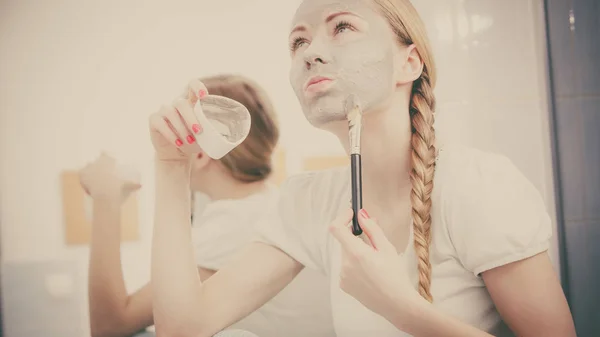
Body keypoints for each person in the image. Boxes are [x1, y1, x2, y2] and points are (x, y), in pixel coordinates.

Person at [147, 1, 578, 336]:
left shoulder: (477, 187)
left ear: (409, 63)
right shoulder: (310, 203)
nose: (310, 52)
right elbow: (184, 327)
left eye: (343, 27)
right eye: (298, 42)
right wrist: (170, 165)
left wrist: (400, 307)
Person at [80, 74, 335, 337]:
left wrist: (104, 198)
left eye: (178, 127)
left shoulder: (233, 221)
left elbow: (110, 326)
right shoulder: (271, 206)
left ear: (200, 153)